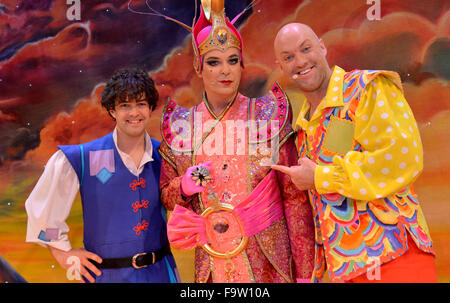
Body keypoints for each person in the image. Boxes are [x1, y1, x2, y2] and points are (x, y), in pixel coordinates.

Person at [158, 1, 315, 283]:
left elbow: (294, 199)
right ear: (198, 67)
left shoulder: (267, 115)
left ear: (241, 65)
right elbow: (167, 197)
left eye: (232, 60)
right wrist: (183, 186)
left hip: (268, 263)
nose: (225, 71)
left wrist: (305, 275)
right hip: (211, 263)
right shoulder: (181, 126)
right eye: (214, 62)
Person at [272, 23, 437, 283]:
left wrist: (321, 177)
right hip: (346, 270)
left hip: (395, 255)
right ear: (280, 67)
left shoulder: (366, 88)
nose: (300, 61)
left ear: (322, 47)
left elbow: (402, 157)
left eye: (306, 49)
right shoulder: (302, 127)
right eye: (288, 57)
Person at [25, 68, 179, 283]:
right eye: (125, 105)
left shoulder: (166, 156)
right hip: (106, 277)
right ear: (112, 110)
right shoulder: (84, 157)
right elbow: (43, 217)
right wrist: (62, 253)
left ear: (150, 107)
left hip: (161, 275)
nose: (134, 113)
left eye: (141, 104)